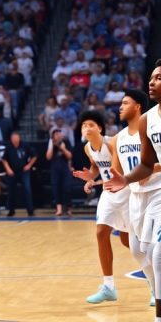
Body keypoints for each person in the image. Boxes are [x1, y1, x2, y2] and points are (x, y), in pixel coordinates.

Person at [106, 61, 161, 315]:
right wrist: (126, 179)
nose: (152, 82)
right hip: (140, 194)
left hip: (159, 192)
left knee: (158, 254)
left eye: (158, 78)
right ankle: (154, 290)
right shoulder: (147, 120)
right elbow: (147, 164)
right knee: (140, 250)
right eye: (151, 77)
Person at [73, 110, 130, 304]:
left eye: (90, 125)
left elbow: (118, 168)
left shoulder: (112, 143)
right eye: (83, 125)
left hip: (126, 192)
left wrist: (100, 180)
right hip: (108, 194)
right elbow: (96, 166)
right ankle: (109, 287)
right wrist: (90, 177)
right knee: (101, 233)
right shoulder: (88, 148)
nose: (86, 128)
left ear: (99, 128)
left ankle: (154, 285)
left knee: (129, 242)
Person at [1, 132, 36, 217]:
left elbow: (34, 156)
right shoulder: (9, 147)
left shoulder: (25, 145)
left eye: (16, 138)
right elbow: (4, 159)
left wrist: (29, 165)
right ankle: (11, 210)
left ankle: (30, 210)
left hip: (24, 171)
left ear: (19, 138)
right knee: (11, 190)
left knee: (27, 189)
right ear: (11, 139)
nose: (15, 140)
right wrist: (8, 169)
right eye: (13, 139)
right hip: (12, 171)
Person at [46, 129, 74, 216]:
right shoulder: (51, 144)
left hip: (65, 169)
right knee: (56, 188)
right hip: (55, 169)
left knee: (67, 188)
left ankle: (69, 208)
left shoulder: (66, 142)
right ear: (53, 137)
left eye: (60, 134)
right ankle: (59, 209)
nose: (59, 136)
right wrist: (51, 145)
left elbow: (70, 156)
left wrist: (63, 148)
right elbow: (48, 157)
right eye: (56, 134)